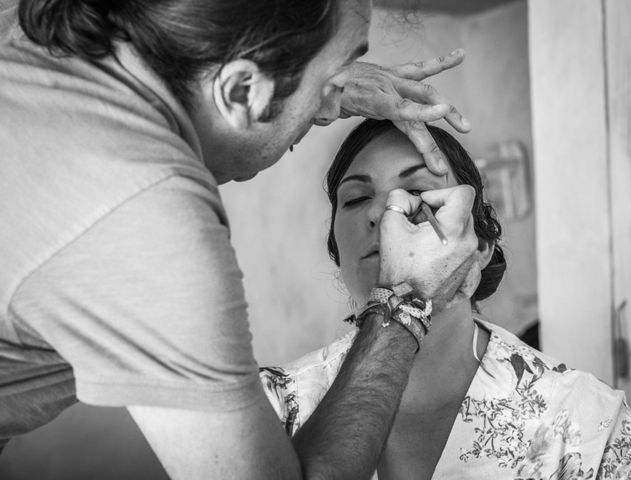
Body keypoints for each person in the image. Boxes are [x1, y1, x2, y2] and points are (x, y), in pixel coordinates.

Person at [0, 0, 483, 478]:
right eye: (333, 82)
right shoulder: (141, 216)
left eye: (416, 189)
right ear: (240, 89)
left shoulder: (28, 33)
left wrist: (321, 78)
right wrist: (405, 301)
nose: (383, 213)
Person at [261, 119, 631, 480]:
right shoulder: (273, 410)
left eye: (415, 192)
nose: (381, 213)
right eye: (357, 198)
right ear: (336, 251)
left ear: (480, 249)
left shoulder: (585, 422)